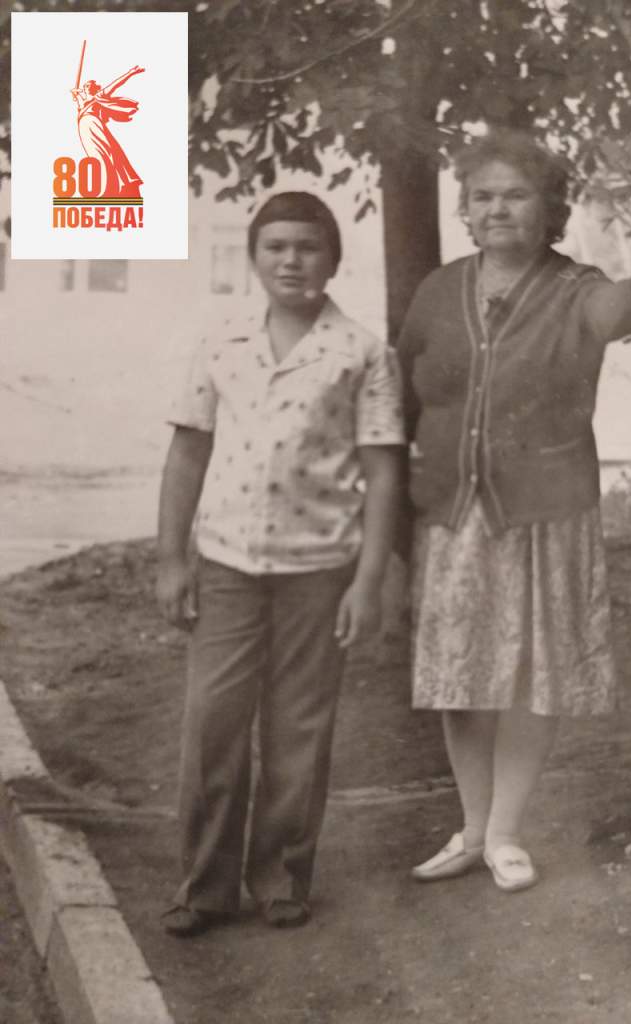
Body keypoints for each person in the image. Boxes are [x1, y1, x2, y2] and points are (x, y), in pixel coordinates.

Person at [397, 130, 631, 892]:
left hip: (545, 511)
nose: (497, 209)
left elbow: (625, 312)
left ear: (551, 208)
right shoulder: (438, 291)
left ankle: (506, 832)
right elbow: (404, 395)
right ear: (466, 210)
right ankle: (472, 829)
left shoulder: (577, 288)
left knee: (534, 676)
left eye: (516, 195)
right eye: (483, 197)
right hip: (454, 512)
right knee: (458, 673)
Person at [157, 192, 404, 936]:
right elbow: (188, 451)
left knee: (299, 726)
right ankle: (204, 885)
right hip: (228, 562)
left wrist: (369, 580)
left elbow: (383, 472)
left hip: (319, 569)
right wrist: (171, 559)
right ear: (254, 258)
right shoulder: (221, 340)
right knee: (213, 723)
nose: (292, 261)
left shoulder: (362, 351)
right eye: (276, 247)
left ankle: (281, 877)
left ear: (332, 259)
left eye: (307, 247)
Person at [71, 65, 145, 198]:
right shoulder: (82, 102)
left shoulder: (99, 96)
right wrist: (75, 93)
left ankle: (113, 186)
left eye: (90, 85)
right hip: (85, 130)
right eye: (86, 85)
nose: (88, 87)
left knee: (105, 153)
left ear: (95, 88)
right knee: (94, 156)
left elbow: (115, 84)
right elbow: (78, 99)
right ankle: (104, 186)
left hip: (94, 126)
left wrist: (130, 73)